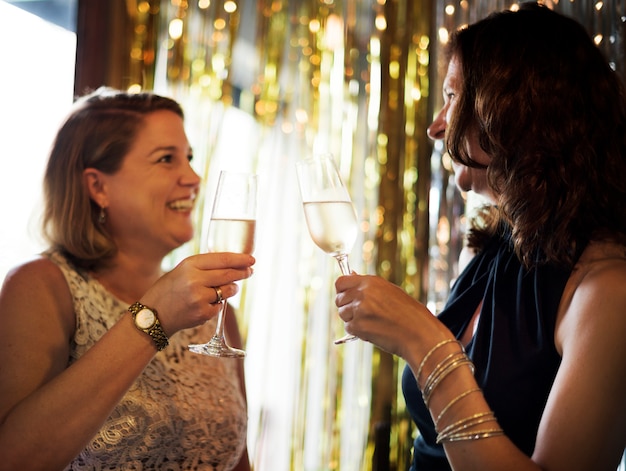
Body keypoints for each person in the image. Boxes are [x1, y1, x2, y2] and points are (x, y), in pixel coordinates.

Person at [335, 3, 626, 470]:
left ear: (513, 113)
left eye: (453, 98)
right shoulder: (497, 254)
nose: (436, 126)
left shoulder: (607, 290)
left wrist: (423, 342)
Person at [0, 88, 254, 470]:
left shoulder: (217, 315)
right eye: (166, 159)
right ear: (98, 186)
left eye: (189, 158)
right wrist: (154, 316)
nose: (194, 177)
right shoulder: (41, 287)